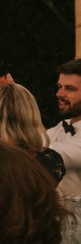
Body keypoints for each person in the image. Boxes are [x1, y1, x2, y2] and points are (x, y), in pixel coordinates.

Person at [46, 58, 81, 197]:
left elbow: (42, 153)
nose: (59, 94)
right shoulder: (61, 127)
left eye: (70, 88)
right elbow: (31, 140)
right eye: (60, 86)